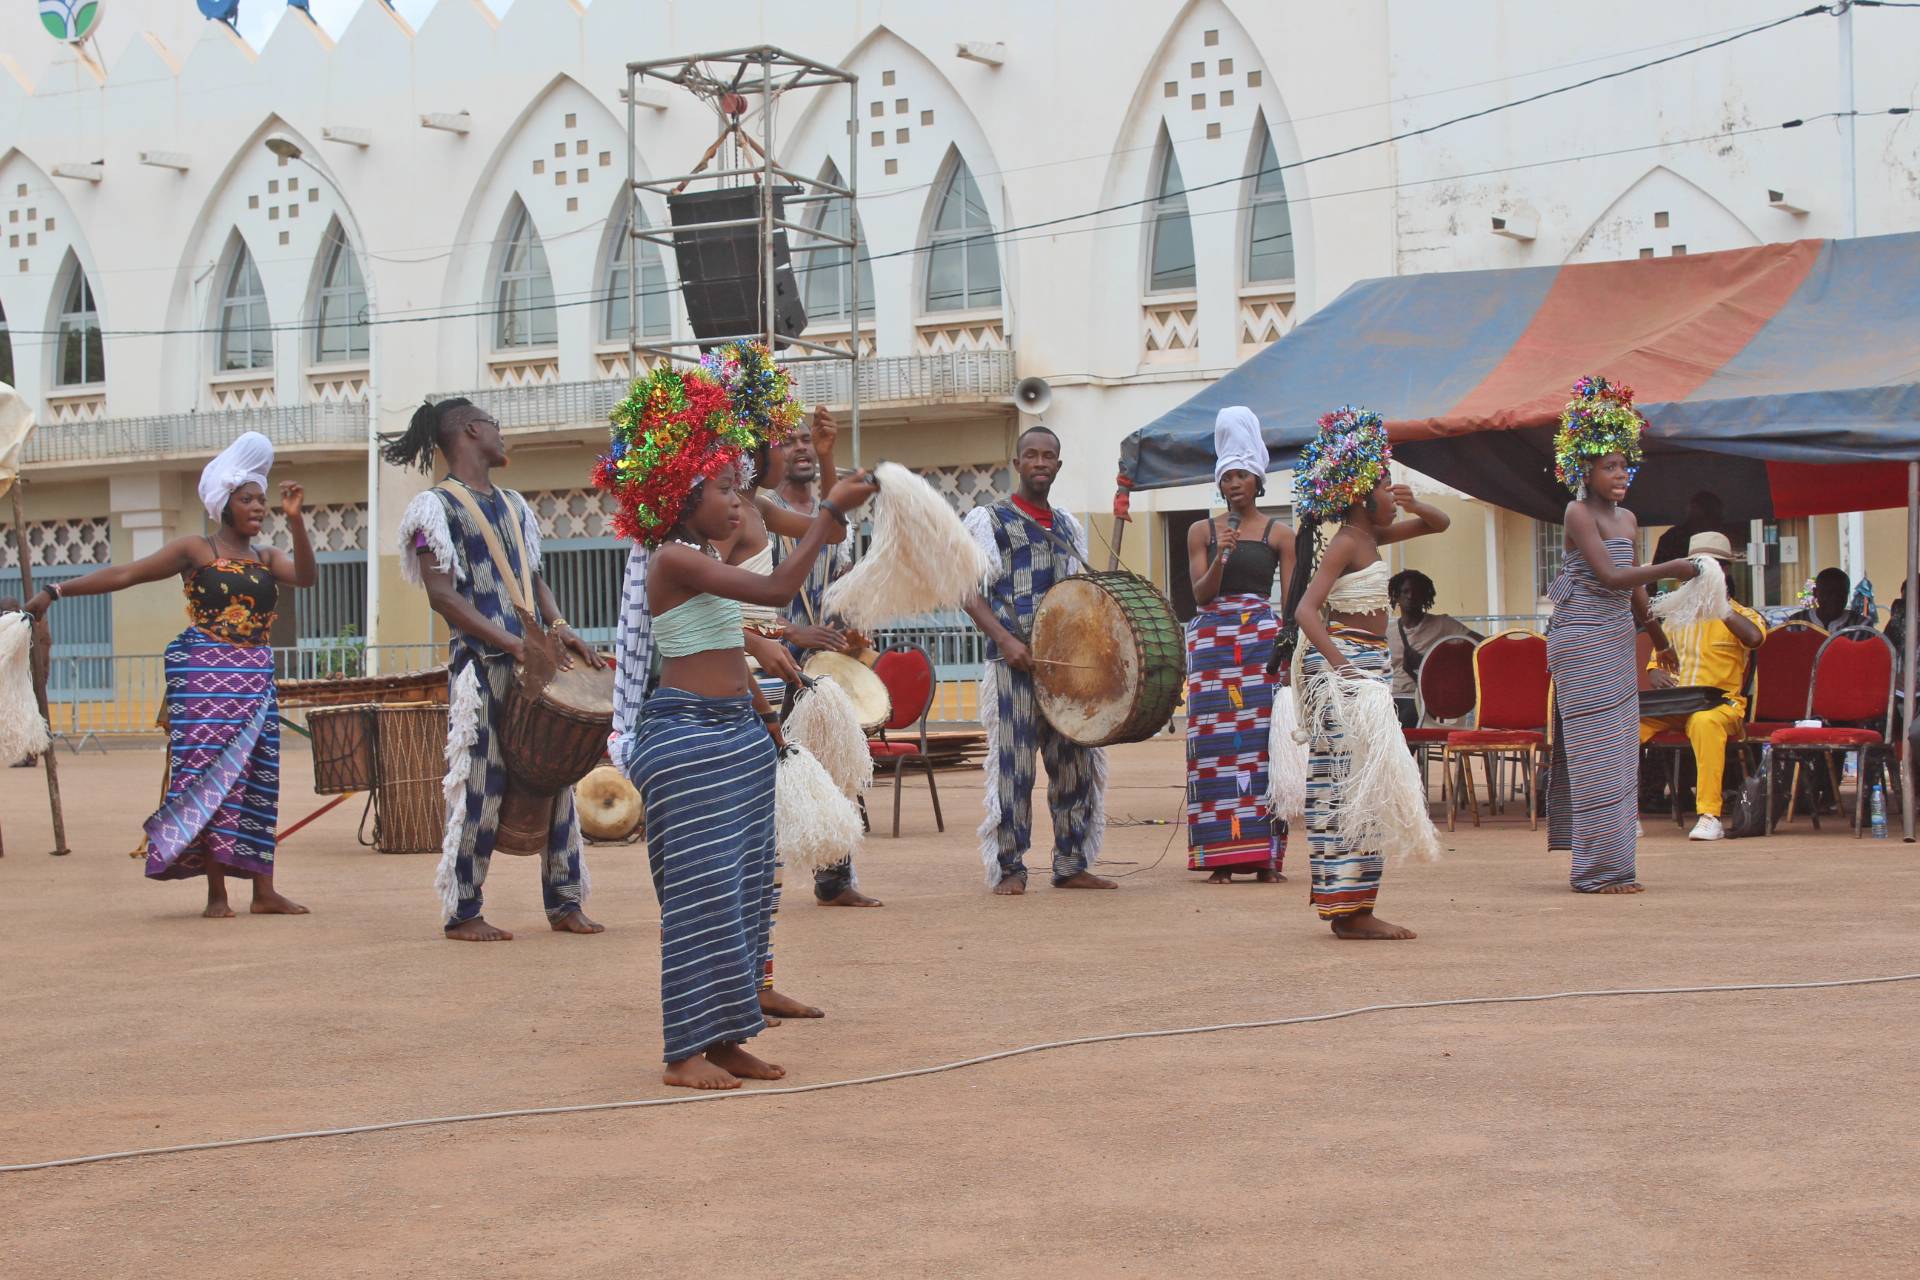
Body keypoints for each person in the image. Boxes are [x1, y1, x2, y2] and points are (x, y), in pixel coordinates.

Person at [618, 373, 876, 1088]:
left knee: (741, 891)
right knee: (700, 896)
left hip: (733, 732)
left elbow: (739, 640)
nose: (737, 499)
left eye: (738, 486)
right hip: (686, 739)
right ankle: (682, 1054)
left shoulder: (704, 560)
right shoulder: (674, 558)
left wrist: (765, 719)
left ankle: (728, 1036)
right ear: (681, 498)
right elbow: (772, 591)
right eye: (723, 488)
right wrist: (827, 510)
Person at [23, 433, 312, 917]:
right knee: (210, 779)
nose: (258, 507)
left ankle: (264, 891)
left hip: (255, 676)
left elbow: (306, 576)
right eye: (247, 500)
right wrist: (56, 590)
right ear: (224, 505)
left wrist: (298, 521)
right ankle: (217, 894)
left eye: (262, 500)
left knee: (260, 778)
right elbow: (126, 574)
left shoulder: (265, 558)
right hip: (205, 679)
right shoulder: (195, 550)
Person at [387, 398, 604, 943]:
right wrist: (512, 643)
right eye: (497, 428)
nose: (504, 438)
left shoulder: (513, 505)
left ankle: (566, 900)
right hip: (481, 669)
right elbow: (442, 596)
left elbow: (534, 579)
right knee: (479, 784)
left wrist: (560, 629)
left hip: (533, 663)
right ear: (471, 430)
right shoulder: (432, 509)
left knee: (556, 777)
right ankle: (463, 909)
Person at [1285, 406, 1448, 939]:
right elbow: (1306, 611)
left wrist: (1412, 500)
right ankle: (1348, 910)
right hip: (1348, 671)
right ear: (1359, 494)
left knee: (1367, 787)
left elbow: (1437, 523)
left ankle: (1355, 906)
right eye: (1383, 483)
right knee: (1345, 788)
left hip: (1367, 669)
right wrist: (1343, 667)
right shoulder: (1346, 542)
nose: (1390, 490)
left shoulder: (1373, 538)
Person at [1544, 377, 1698, 894]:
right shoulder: (1577, 512)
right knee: (1592, 751)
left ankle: (1617, 866)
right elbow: (1610, 578)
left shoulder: (1630, 519)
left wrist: (1657, 634)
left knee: (1618, 751)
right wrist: (1669, 567)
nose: (1620, 475)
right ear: (1584, 469)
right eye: (1609, 467)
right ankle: (1592, 871)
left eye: (1624, 465)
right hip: (1580, 637)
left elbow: (1631, 591)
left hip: (1613, 637)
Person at [962, 424, 1114, 896]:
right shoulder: (988, 520)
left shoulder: (1068, 524)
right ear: (1017, 463)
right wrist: (1006, 641)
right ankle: (1009, 866)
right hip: (1011, 666)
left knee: (1074, 760)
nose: (1041, 463)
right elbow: (966, 592)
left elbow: (1078, 595)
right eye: (1032, 455)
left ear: (1059, 465)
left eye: (1049, 456)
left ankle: (1071, 862)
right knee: (1014, 767)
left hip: (1063, 666)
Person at [767, 412, 882, 909]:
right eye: (790, 442)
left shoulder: (828, 515)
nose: (801, 449)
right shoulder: (762, 511)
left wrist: (854, 625)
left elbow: (843, 573)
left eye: (806, 442)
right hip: (770, 657)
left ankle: (835, 879)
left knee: (836, 762)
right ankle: (761, 884)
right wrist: (791, 631)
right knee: (770, 767)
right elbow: (747, 595)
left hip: (823, 661)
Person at [1183, 406, 1293, 883]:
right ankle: (1220, 860)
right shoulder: (1202, 532)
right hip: (1212, 652)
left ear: (1259, 480)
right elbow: (1200, 594)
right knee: (1213, 753)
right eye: (1227, 476)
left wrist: (1287, 658)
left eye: (1243, 475)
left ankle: (1265, 858)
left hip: (1259, 651)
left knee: (1261, 752)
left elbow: (1291, 607)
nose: (1234, 484)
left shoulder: (1281, 534)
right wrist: (1222, 556)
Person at [1638, 532, 1765, 841]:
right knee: (1626, 726)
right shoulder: (1678, 616)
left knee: (1704, 722)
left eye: (1709, 567)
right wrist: (1655, 674)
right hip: (1676, 704)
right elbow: (1657, 663)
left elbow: (1754, 638)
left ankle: (1709, 815)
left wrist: (1718, 604)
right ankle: (1621, 814)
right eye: (1696, 567)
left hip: (1721, 705)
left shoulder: (1741, 614)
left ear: (1724, 571)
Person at [1387, 569, 1482, 729]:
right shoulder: (1387, 631)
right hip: (1391, 697)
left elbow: (1481, 644)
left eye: (1417, 592)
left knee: (1405, 720)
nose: (1411, 596)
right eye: (1405, 591)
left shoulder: (1443, 624)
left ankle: (1399, 754)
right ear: (1396, 596)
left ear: (1425, 597)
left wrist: (1433, 663)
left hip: (1425, 698)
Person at [1652, 491, 1742, 567]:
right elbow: (1655, 582)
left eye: (1717, 518)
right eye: (1711, 515)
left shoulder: (1718, 539)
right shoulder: (1671, 538)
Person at [1790, 567, 1870, 633]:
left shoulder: (1861, 626)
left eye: (1841, 593)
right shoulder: (1795, 623)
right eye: (1828, 592)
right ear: (1815, 593)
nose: (1834, 598)